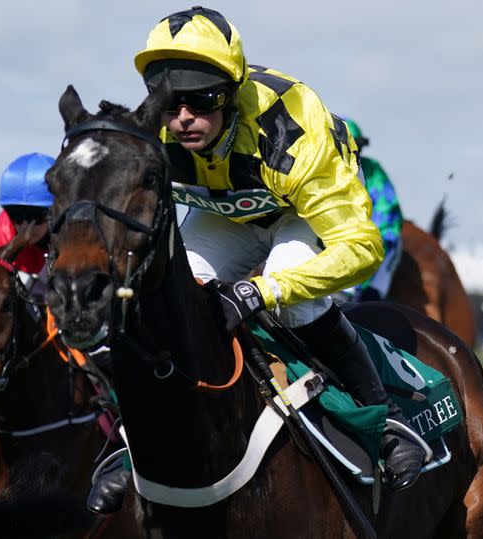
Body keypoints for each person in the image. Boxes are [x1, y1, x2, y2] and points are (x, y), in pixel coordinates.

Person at [88, 6, 425, 514]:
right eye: (171, 102)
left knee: (290, 297)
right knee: (174, 305)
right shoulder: (156, 133)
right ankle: (126, 443)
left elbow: (362, 250)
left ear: (229, 92)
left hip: (297, 212)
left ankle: (384, 419)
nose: (182, 118)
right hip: (224, 215)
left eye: (200, 101)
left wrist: (262, 291)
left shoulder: (295, 127)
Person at [343, 118, 404, 302]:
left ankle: (374, 297)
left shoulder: (372, 171)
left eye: (355, 149)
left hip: (380, 243)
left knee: (367, 299)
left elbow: (387, 219)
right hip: (341, 244)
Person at [0, 152, 55, 300]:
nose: (25, 227)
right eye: (16, 215)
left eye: (36, 216)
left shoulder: (76, 230)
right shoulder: (2, 234)